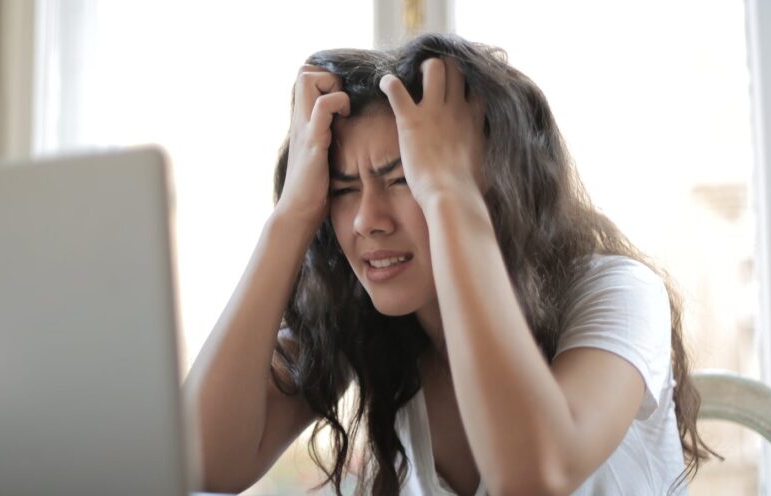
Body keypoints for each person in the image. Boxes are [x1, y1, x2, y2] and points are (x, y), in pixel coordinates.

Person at [185, 33, 711, 495]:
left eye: (405, 179)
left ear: (493, 182)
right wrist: (292, 216)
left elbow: (535, 474)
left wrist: (450, 193)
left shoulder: (620, 292)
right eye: (343, 190)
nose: (367, 220)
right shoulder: (367, 319)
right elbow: (204, 460)